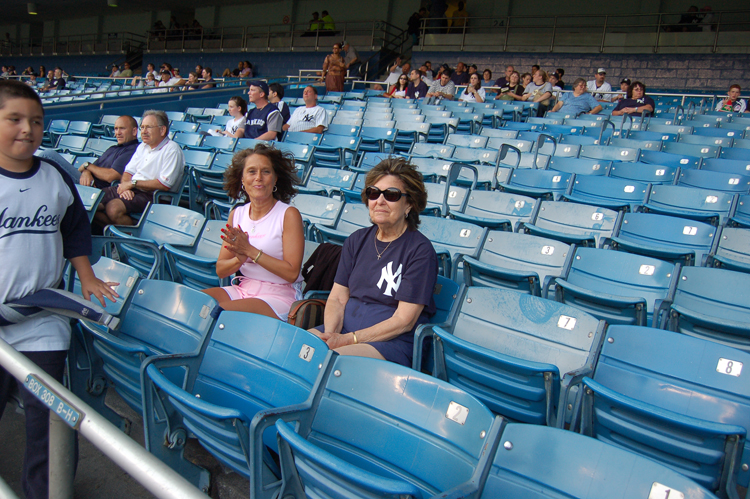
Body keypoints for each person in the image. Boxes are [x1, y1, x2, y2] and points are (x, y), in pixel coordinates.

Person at [0, 79, 117, 499]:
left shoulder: (53, 176)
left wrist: (86, 277)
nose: (27, 129)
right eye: (14, 119)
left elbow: (74, 230)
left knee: (46, 421)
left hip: (40, 320)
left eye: (36, 121)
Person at [309, 157, 438, 367]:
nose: (379, 200)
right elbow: (337, 299)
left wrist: (348, 340)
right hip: (342, 330)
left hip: (390, 342)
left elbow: (403, 321)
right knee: (296, 349)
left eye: (392, 195)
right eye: (374, 193)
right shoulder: (356, 240)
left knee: (327, 363)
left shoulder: (420, 251)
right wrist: (331, 335)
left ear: (410, 204)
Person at [202, 145, 304, 321]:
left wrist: (250, 251)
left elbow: (292, 273)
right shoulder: (237, 214)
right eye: (251, 172)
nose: (258, 178)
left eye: (265, 172)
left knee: (217, 315)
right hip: (243, 288)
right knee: (197, 304)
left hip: (278, 295)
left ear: (275, 179)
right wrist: (238, 260)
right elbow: (221, 270)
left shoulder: (288, 214)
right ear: (242, 179)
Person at [95, 110, 184, 227]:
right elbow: (128, 172)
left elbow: (164, 184)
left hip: (155, 196)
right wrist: (126, 188)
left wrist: (132, 184)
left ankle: (132, 239)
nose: (144, 131)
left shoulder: (172, 149)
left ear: (162, 130)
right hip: (134, 189)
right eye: (142, 127)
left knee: (113, 208)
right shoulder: (142, 146)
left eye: (148, 127)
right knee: (93, 201)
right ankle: (114, 235)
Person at [36, 115, 139, 186]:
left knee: (48, 154)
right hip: (84, 179)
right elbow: (89, 167)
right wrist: (86, 172)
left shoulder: (133, 150)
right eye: (116, 129)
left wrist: (87, 166)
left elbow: (111, 176)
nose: (118, 133)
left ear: (134, 131)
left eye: (122, 129)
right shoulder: (113, 148)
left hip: (92, 187)